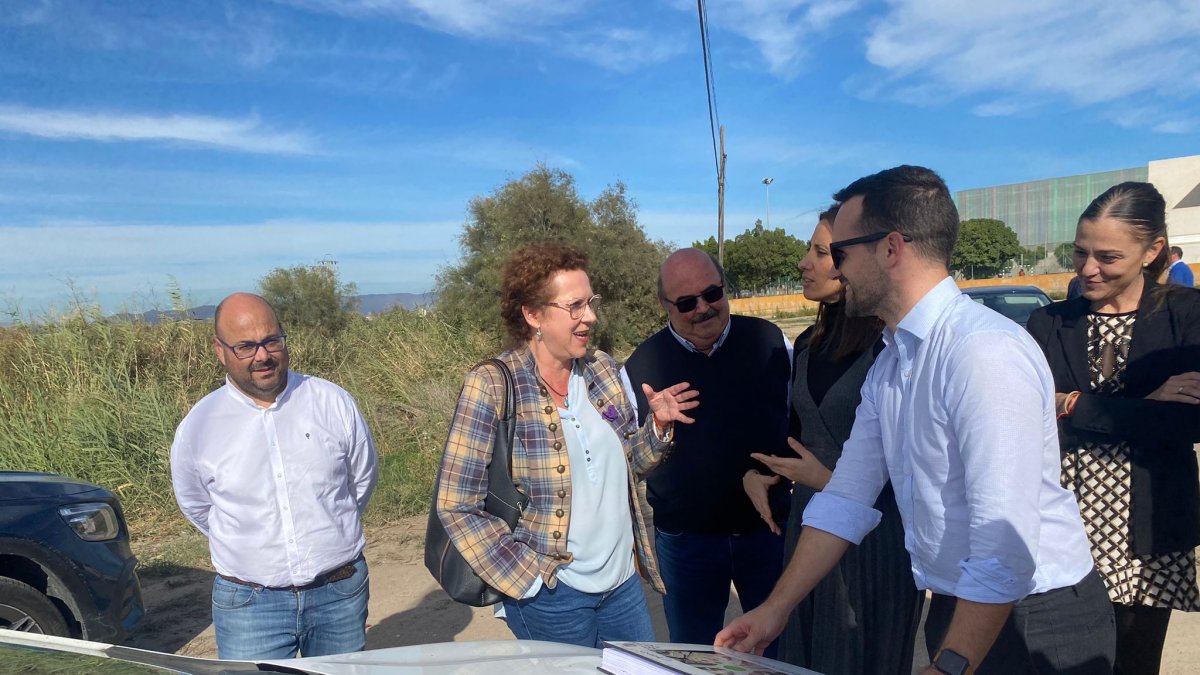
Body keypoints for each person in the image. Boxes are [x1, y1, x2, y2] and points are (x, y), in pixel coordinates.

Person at [716, 165, 1114, 675]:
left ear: (890, 248)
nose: (835, 269)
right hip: (960, 606)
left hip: (1034, 621)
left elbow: (1003, 542)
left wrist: (950, 666)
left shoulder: (980, 352)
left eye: (840, 253)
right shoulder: (893, 359)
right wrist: (775, 611)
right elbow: (845, 499)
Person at [434, 243, 698, 648]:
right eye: (574, 306)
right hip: (552, 595)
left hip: (622, 585)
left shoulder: (603, 370)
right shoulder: (492, 386)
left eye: (590, 302)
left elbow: (630, 464)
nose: (590, 316)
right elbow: (455, 503)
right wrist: (526, 580)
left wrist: (657, 426)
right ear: (533, 314)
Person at [1027, 182, 1200, 675]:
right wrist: (1143, 408)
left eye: (1107, 256)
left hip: (1149, 532)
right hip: (1060, 531)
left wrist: (1072, 404)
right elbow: (1025, 421)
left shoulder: (1186, 316)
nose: (1087, 269)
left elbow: (1188, 421)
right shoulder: (1048, 322)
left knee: (1134, 665)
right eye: (1080, 253)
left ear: (1152, 251)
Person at [742, 204, 922, 675]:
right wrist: (763, 475)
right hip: (810, 527)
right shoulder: (807, 344)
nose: (805, 262)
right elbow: (801, 436)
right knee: (804, 653)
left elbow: (916, 465)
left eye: (822, 252)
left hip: (876, 535)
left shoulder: (890, 349)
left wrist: (827, 478)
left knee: (860, 656)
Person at [171, 293, 378, 660]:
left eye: (271, 341)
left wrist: (324, 527)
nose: (262, 356)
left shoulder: (332, 403)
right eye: (245, 346)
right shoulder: (199, 426)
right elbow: (198, 507)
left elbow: (360, 483)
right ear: (220, 350)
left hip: (338, 594)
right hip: (250, 605)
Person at [621, 248, 792, 654]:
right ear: (665, 306)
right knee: (694, 654)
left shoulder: (770, 342)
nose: (703, 308)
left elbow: (798, 423)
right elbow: (629, 458)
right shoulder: (641, 366)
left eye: (712, 293)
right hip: (686, 543)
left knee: (779, 649)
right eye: (686, 302)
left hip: (767, 534)